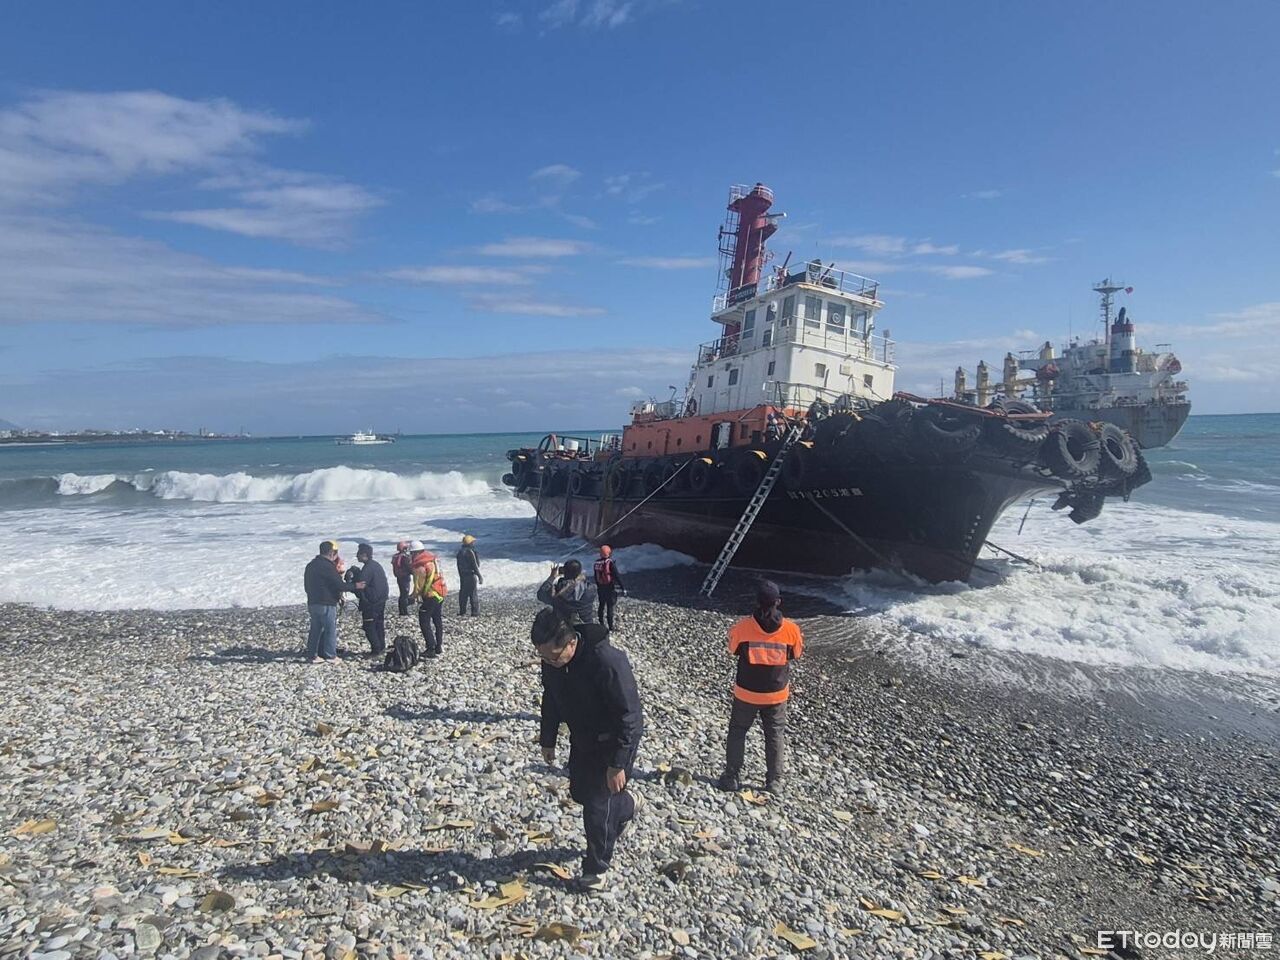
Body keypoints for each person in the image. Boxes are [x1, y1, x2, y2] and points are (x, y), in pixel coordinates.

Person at [533, 607, 643, 892]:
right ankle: (628, 805)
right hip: (582, 739)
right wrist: (548, 738)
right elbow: (552, 698)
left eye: (552, 656)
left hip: (613, 742)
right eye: (542, 656)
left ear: (571, 643)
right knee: (580, 793)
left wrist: (618, 764)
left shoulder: (607, 662)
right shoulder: (553, 661)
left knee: (597, 807)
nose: (547, 661)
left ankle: (596, 870)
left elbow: (630, 717)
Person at [717, 580, 804, 796]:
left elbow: (732, 649)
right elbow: (796, 654)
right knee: (774, 735)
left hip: (746, 693)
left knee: (738, 732)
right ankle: (774, 781)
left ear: (756, 602)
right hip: (776, 695)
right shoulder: (791, 630)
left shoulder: (743, 627)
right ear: (779, 602)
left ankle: (732, 777)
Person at [303, 540, 349, 663]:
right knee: (329, 629)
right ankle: (330, 655)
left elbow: (306, 585)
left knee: (315, 629)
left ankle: (312, 655)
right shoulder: (328, 567)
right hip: (326, 603)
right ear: (331, 553)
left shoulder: (311, 565)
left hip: (313, 602)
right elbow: (339, 585)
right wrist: (356, 586)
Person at [410, 540, 447, 657]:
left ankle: (430, 648)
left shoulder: (420, 565)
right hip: (440, 593)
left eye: (411, 553)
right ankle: (438, 646)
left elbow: (418, 586)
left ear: (415, 553)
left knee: (424, 620)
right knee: (437, 620)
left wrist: (411, 597)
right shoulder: (433, 560)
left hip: (431, 595)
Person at [352, 543, 389, 655]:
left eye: (358, 554)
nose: (356, 556)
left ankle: (376, 649)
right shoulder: (375, 565)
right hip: (381, 600)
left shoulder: (368, 568)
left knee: (368, 626)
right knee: (378, 624)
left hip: (371, 602)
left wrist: (350, 585)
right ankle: (381, 647)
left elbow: (361, 586)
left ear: (364, 554)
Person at [538, 559, 597, 624]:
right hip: (586, 626)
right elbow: (579, 586)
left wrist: (552, 577)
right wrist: (578, 578)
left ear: (564, 572)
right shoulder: (591, 588)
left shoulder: (558, 589)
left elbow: (541, 595)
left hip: (565, 628)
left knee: (545, 612)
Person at [592, 545, 625, 632]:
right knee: (610, 607)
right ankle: (610, 626)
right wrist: (622, 587)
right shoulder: (610, 563)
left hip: (600, 587)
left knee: (601, 605)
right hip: (609, 587)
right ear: (609, 553)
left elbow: (595, 577)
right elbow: (617, 576)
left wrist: (598, 585)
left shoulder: (596, 563)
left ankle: (601, 623)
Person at [455, 534, 483, 616]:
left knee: (463, 594)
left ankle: (462, 611)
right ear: (470, 543)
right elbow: (475, 565)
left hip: (463, 576)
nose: (474, 543)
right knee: (473, 594)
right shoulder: (471, 552)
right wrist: (479, 576)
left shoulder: (459, 553)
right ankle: (475, 612)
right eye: (473, 542)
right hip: (471, 575)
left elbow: (459, 566)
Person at [391, 540, 414, 616]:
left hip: (399, 577)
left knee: (402, 594)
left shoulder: (395, 556)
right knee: (405, 594)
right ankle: (404, 611)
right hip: (405, 577)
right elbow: (409, 567)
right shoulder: (405, 557)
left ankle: (401, 610)